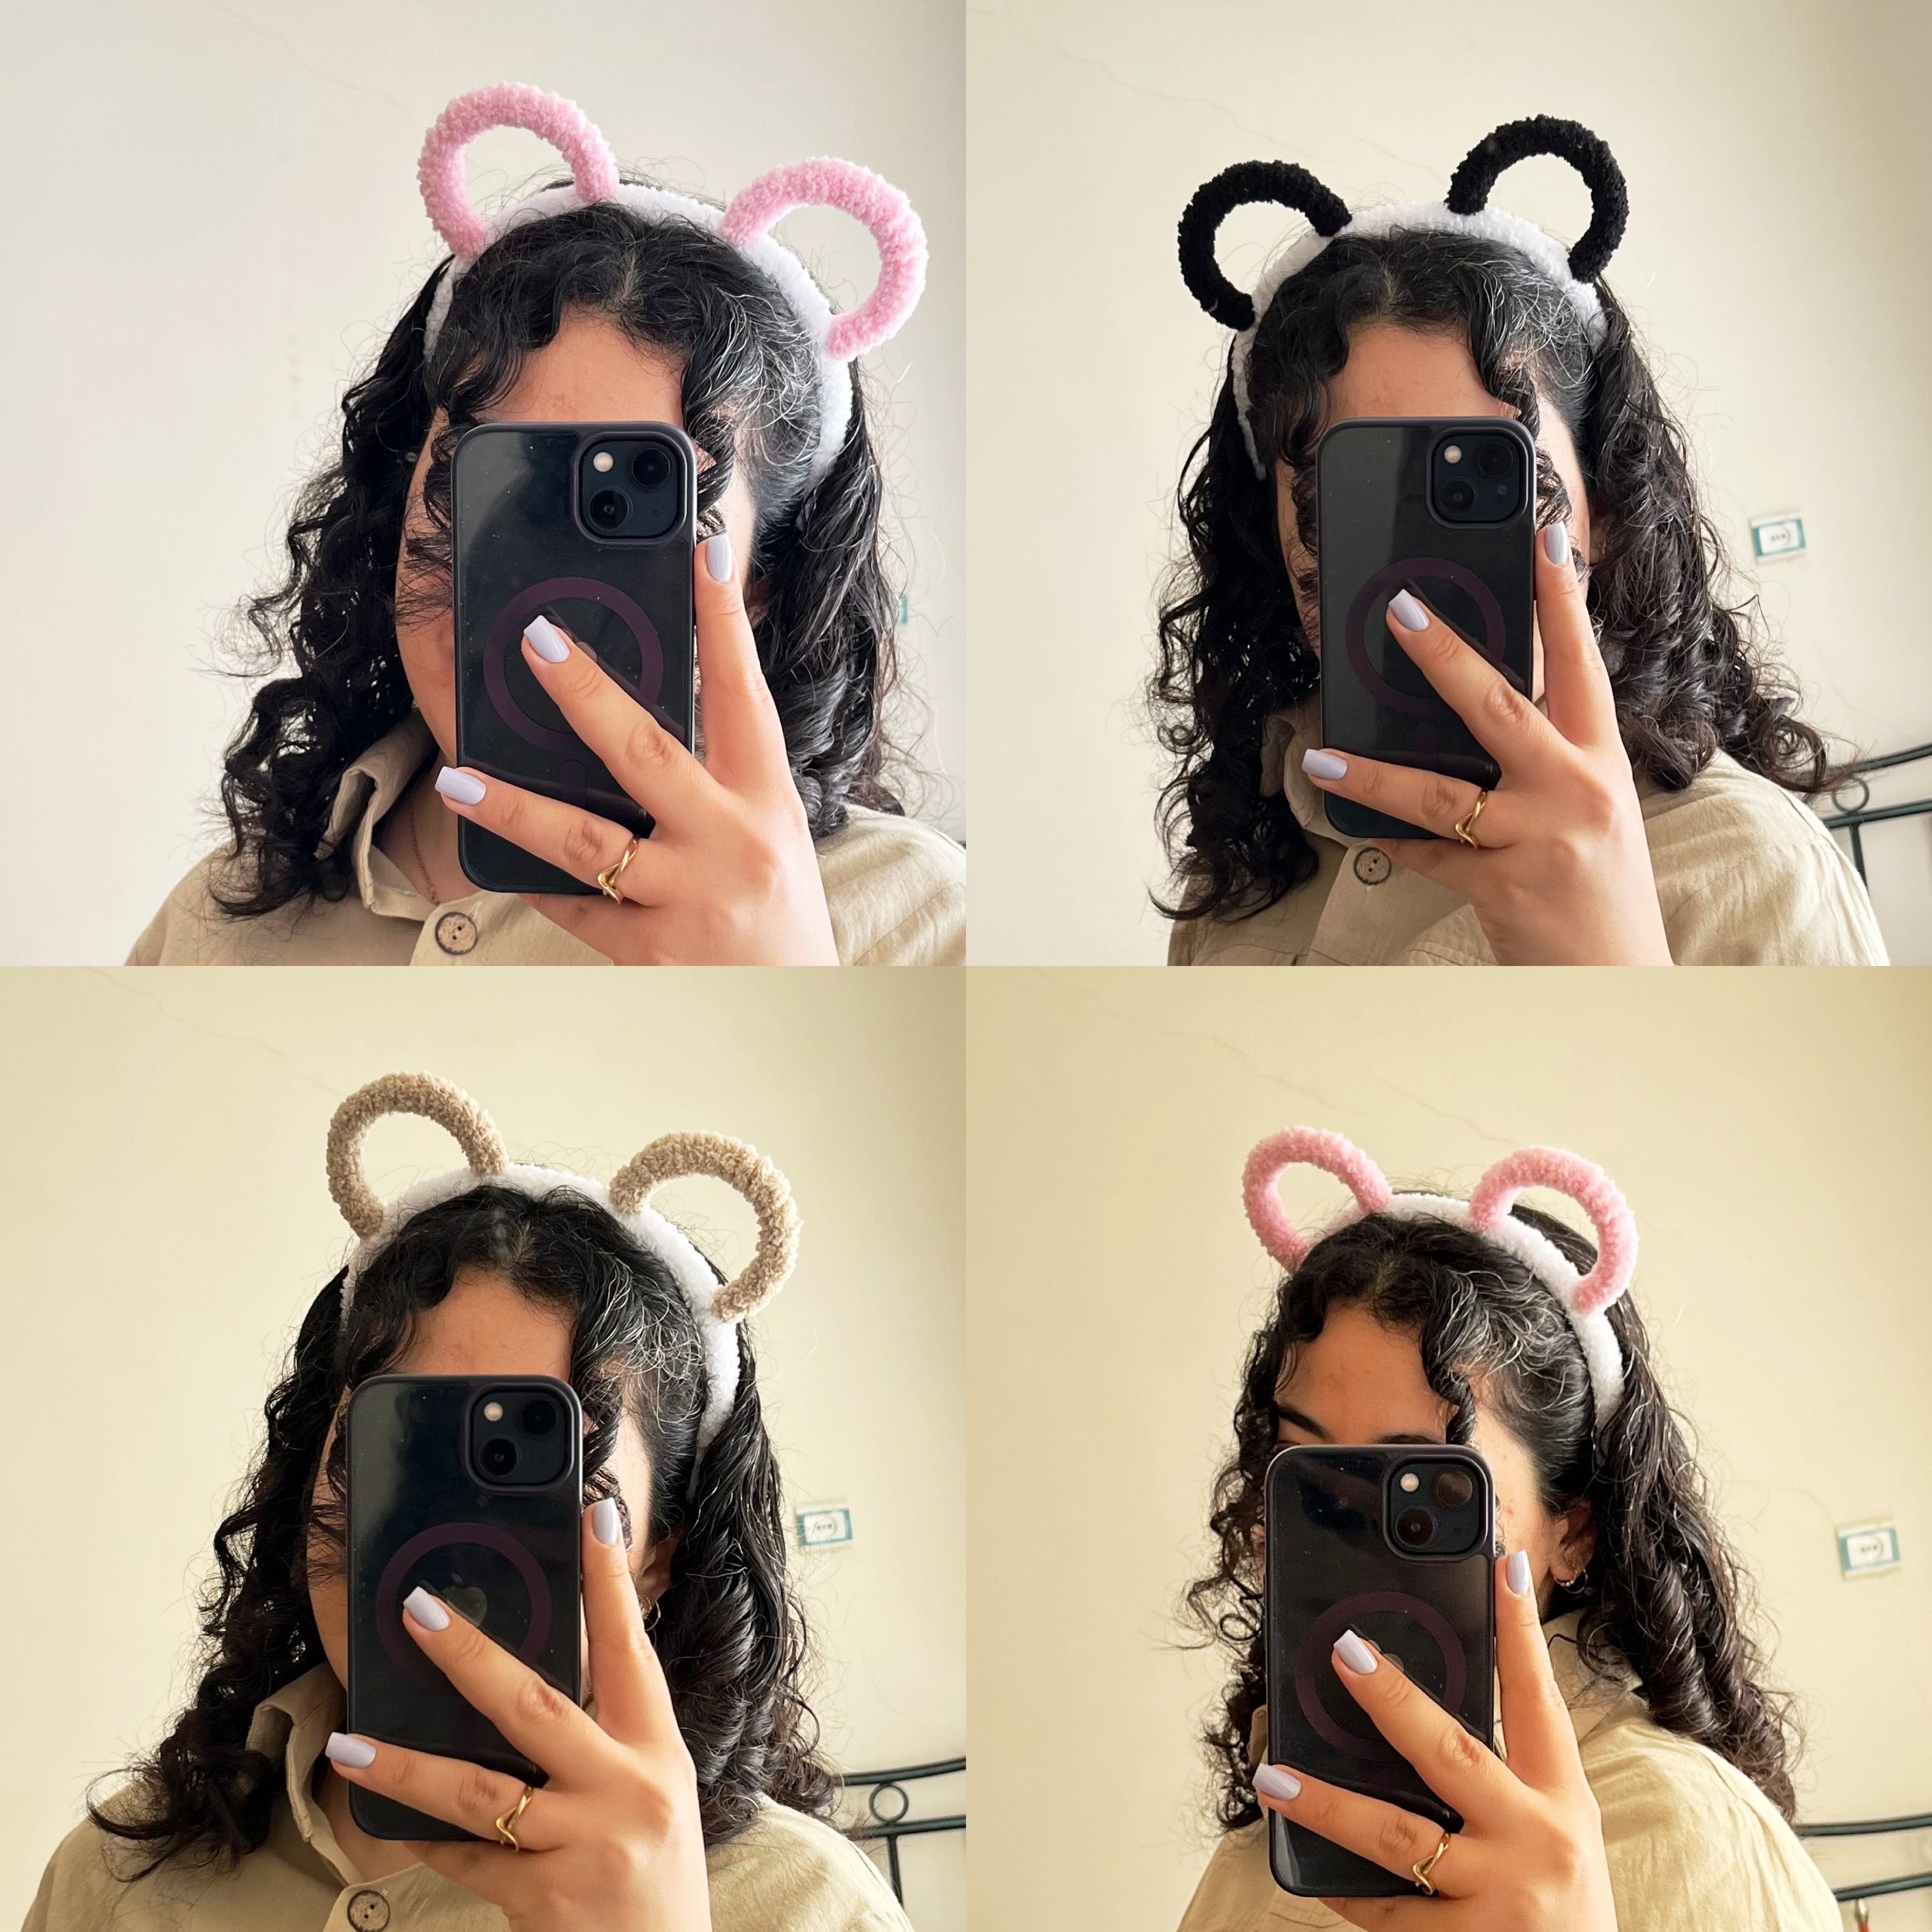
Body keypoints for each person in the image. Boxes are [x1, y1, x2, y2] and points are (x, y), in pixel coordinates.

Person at [26, 1075, 909, 1931]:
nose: (451, 1549)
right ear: (308, 1481)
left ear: (655, 1559)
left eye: (550, 1483)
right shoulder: (116, 1872)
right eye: (399, 1458)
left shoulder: (806, 1906)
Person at [131, 84, 964, 968]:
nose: (547, 596)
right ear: (398, 493)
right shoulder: (220, 920)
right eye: (494, 484)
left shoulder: (919, 919)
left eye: (645, 515)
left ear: (760, 583)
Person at [1153, 116, 1883, 965]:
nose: (1425, 574)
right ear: (1272, 536)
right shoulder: (1239, 870)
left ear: (1606, 508)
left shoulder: (1757, 874)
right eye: (1348, 498)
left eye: (1496, 486)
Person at [1178, 1127, 1840, 1930]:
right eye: (1307, 1482)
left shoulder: (1686, 1832)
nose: (1347, 1538)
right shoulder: (1282, 1812)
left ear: (1575, 1532)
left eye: (1423, 1493)